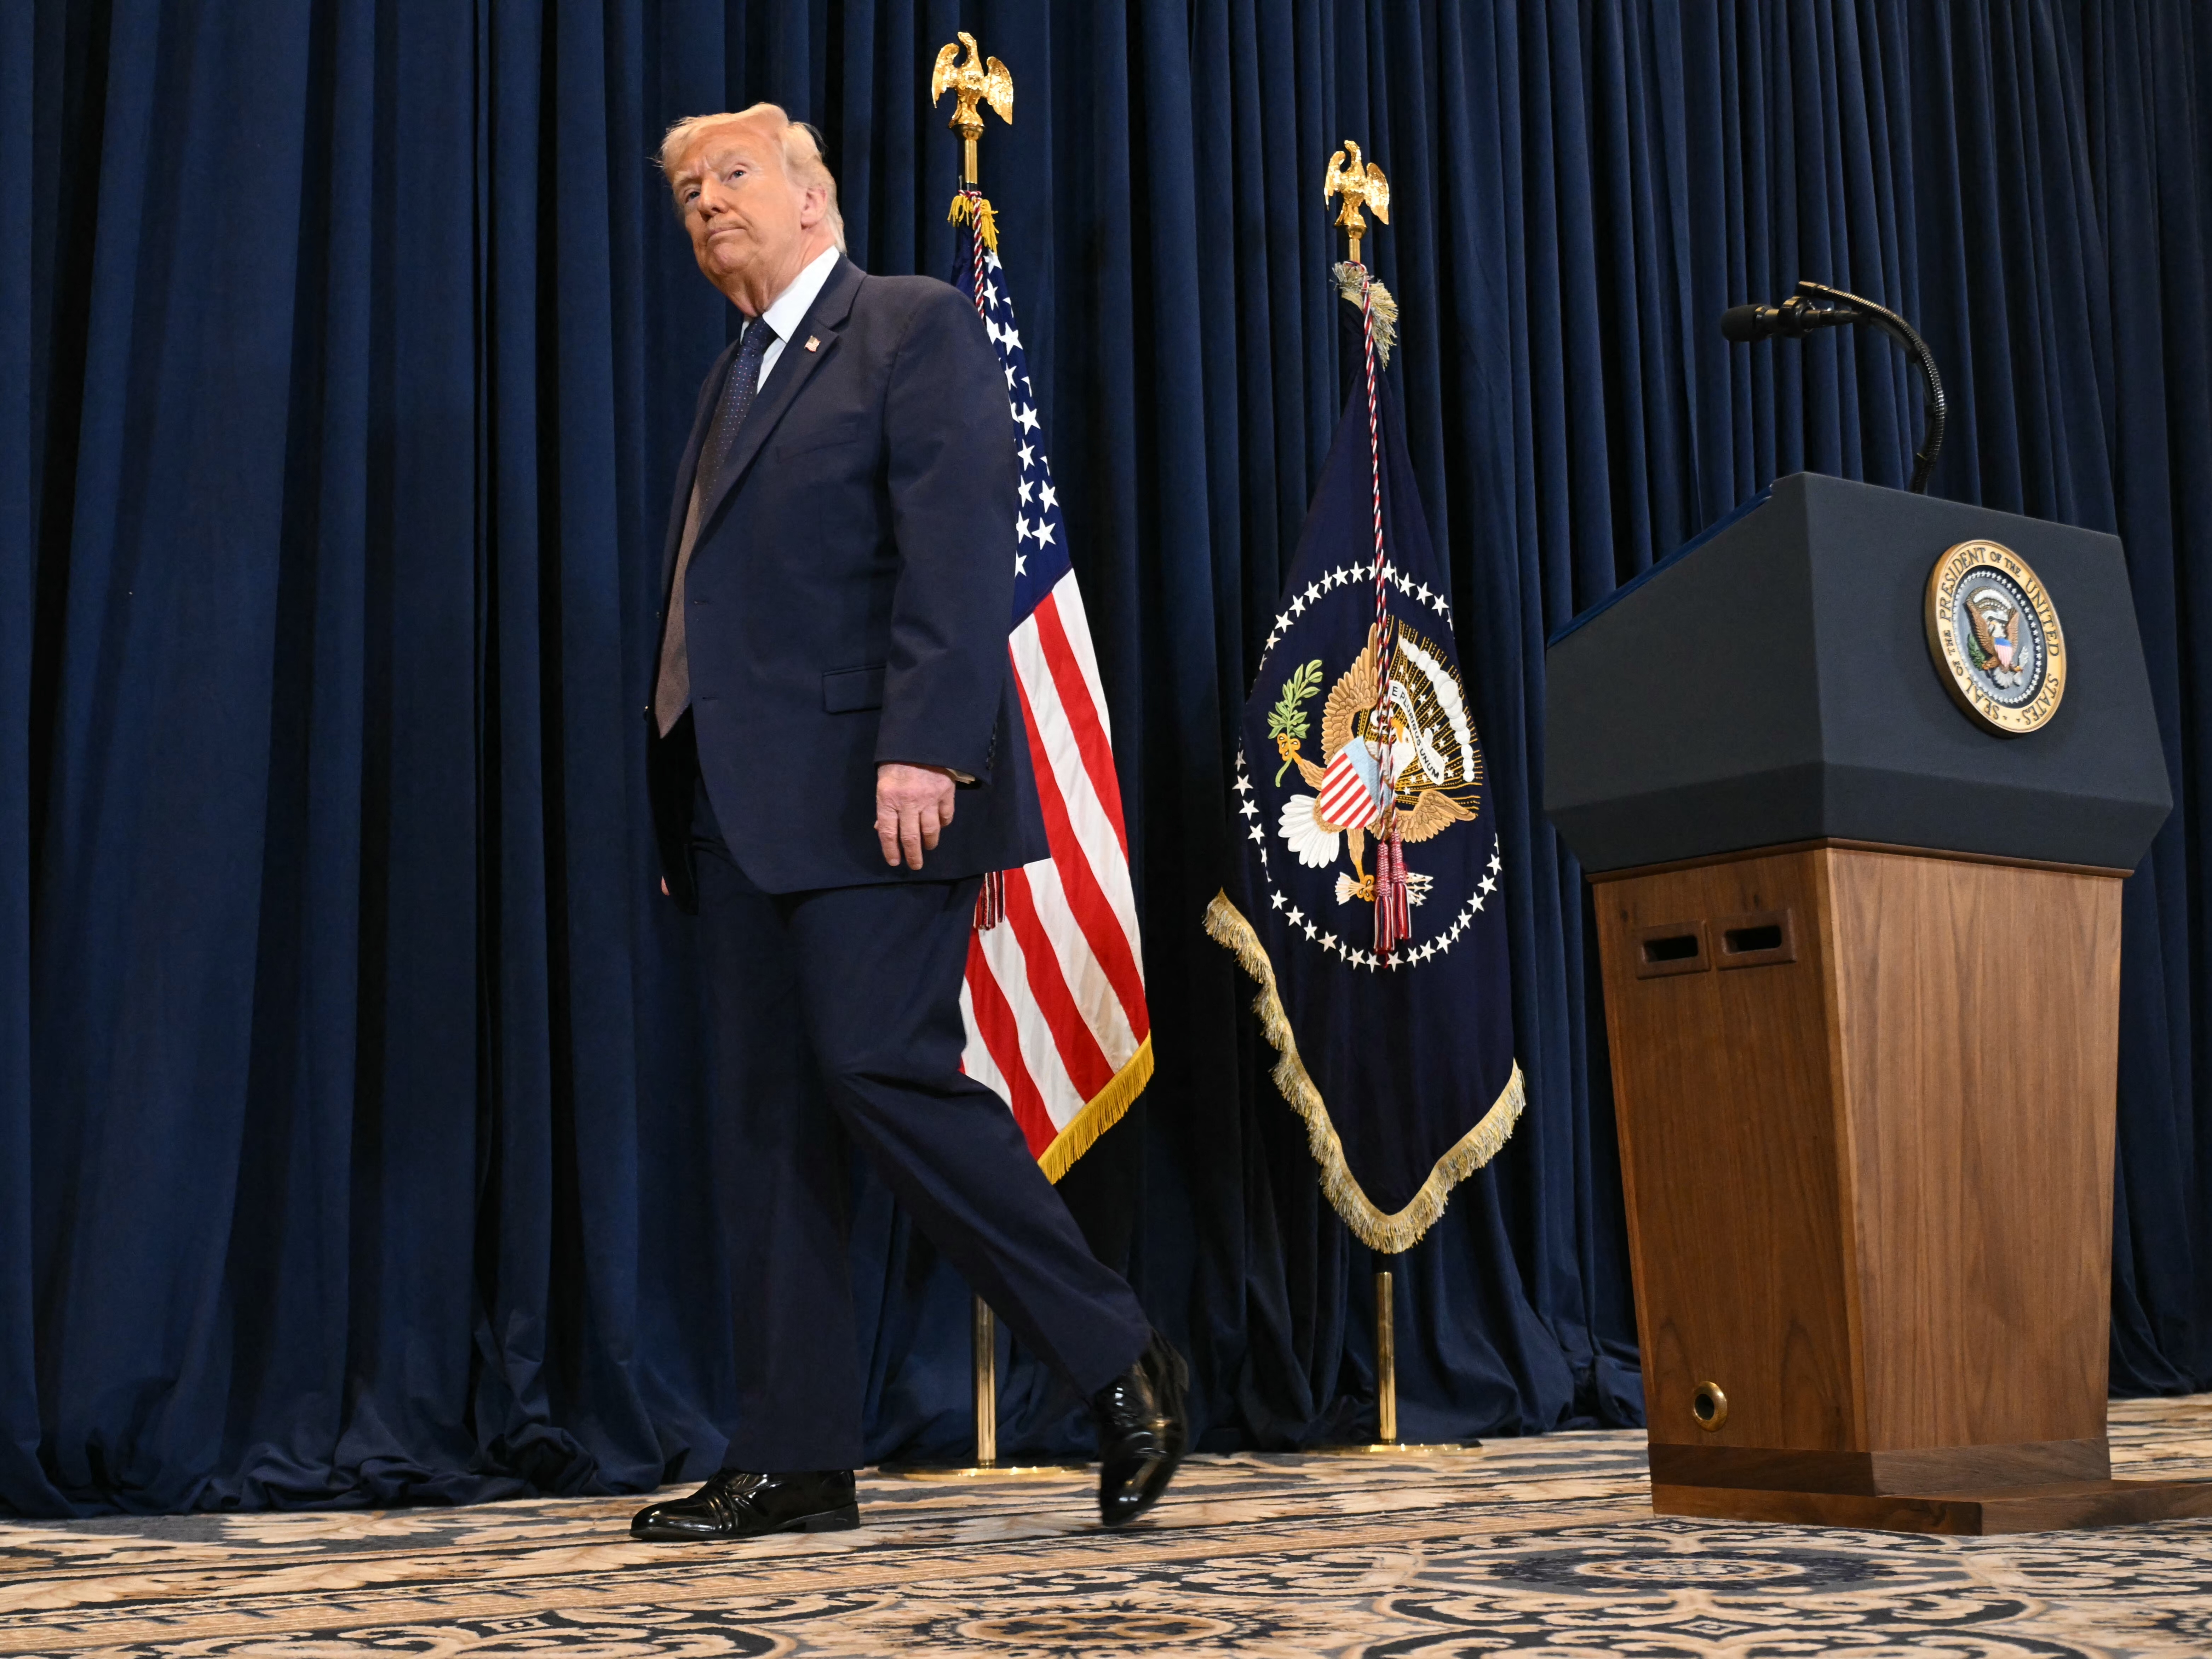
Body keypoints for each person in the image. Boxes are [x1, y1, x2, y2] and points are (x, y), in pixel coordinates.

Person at [628, 103, 1188, 1542]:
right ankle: (797, 1450)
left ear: (815, 195)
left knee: (883, 1068)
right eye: (689, 191)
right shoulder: (734, 373)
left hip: (880, 790)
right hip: (737, 808)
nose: (707, 206)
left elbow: (957, 549)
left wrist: (929, 746)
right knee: (766, 1126)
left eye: (733, 176)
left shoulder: (911, 325)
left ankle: (1118, 1355)